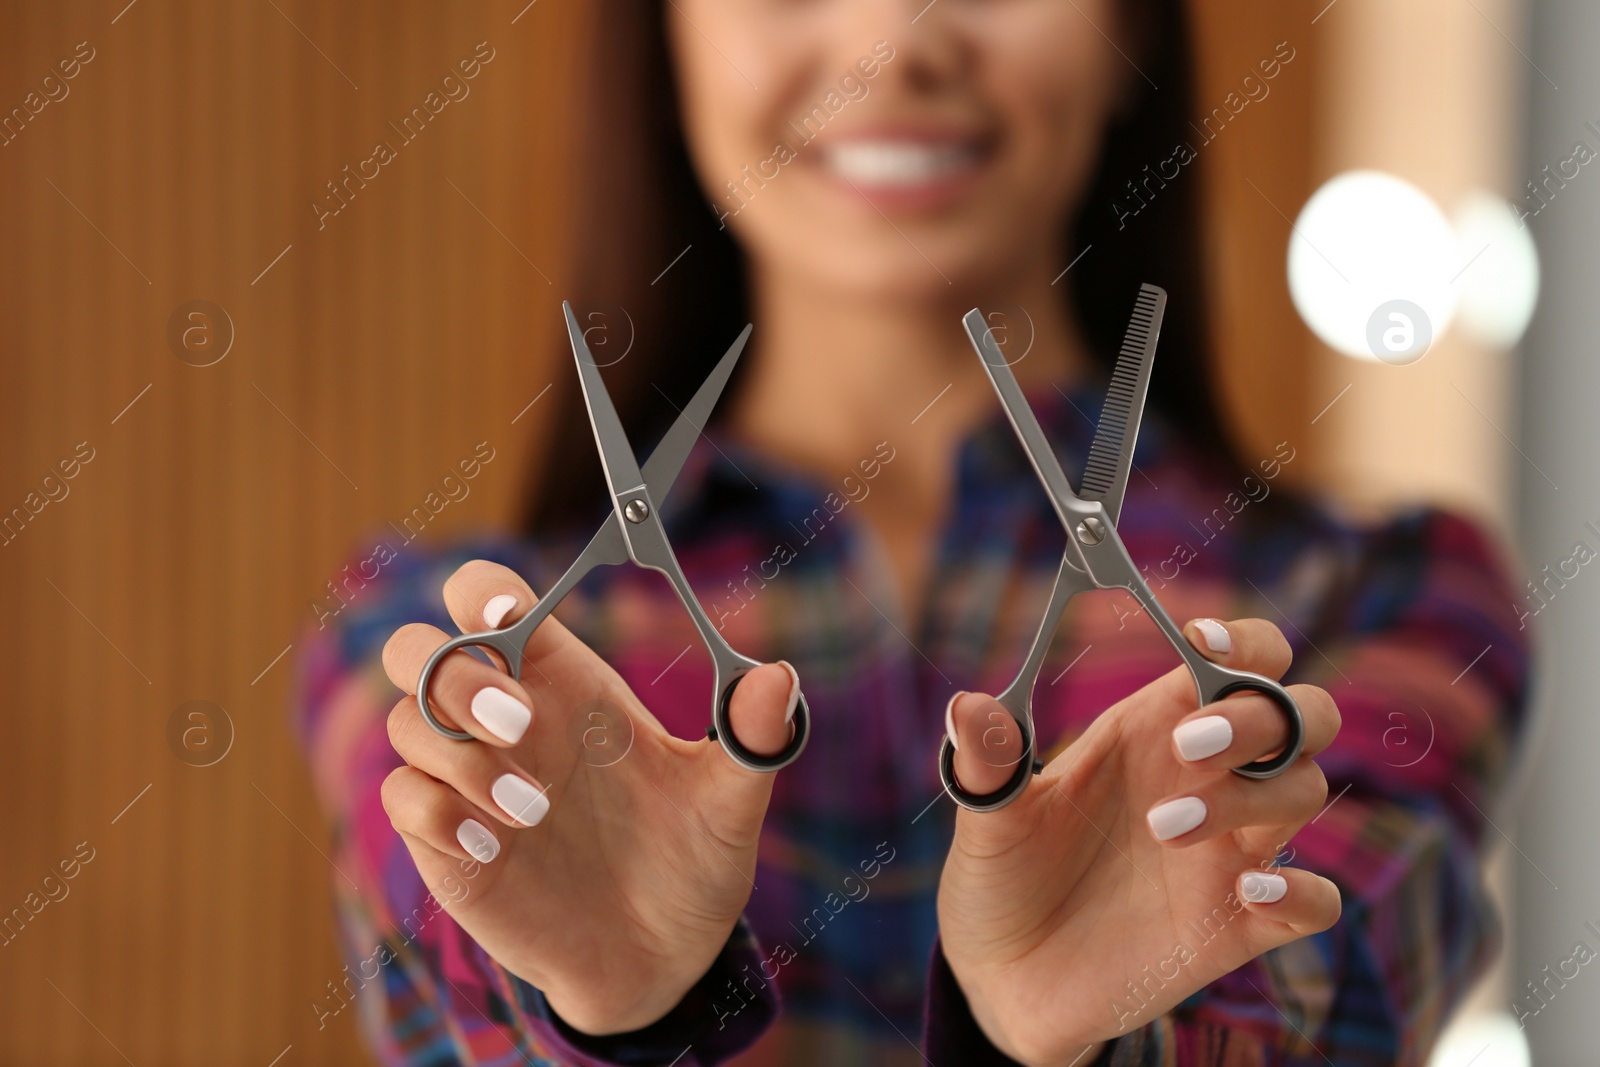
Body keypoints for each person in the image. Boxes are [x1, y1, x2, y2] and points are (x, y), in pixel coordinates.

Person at [293, 2, 1530, 1064]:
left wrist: (1093, 1033)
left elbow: (1338, 986)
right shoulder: (438, 638)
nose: (892, 50)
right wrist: (603, 1010)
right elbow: (451, 995)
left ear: (1129, 24)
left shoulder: (1385, 593)